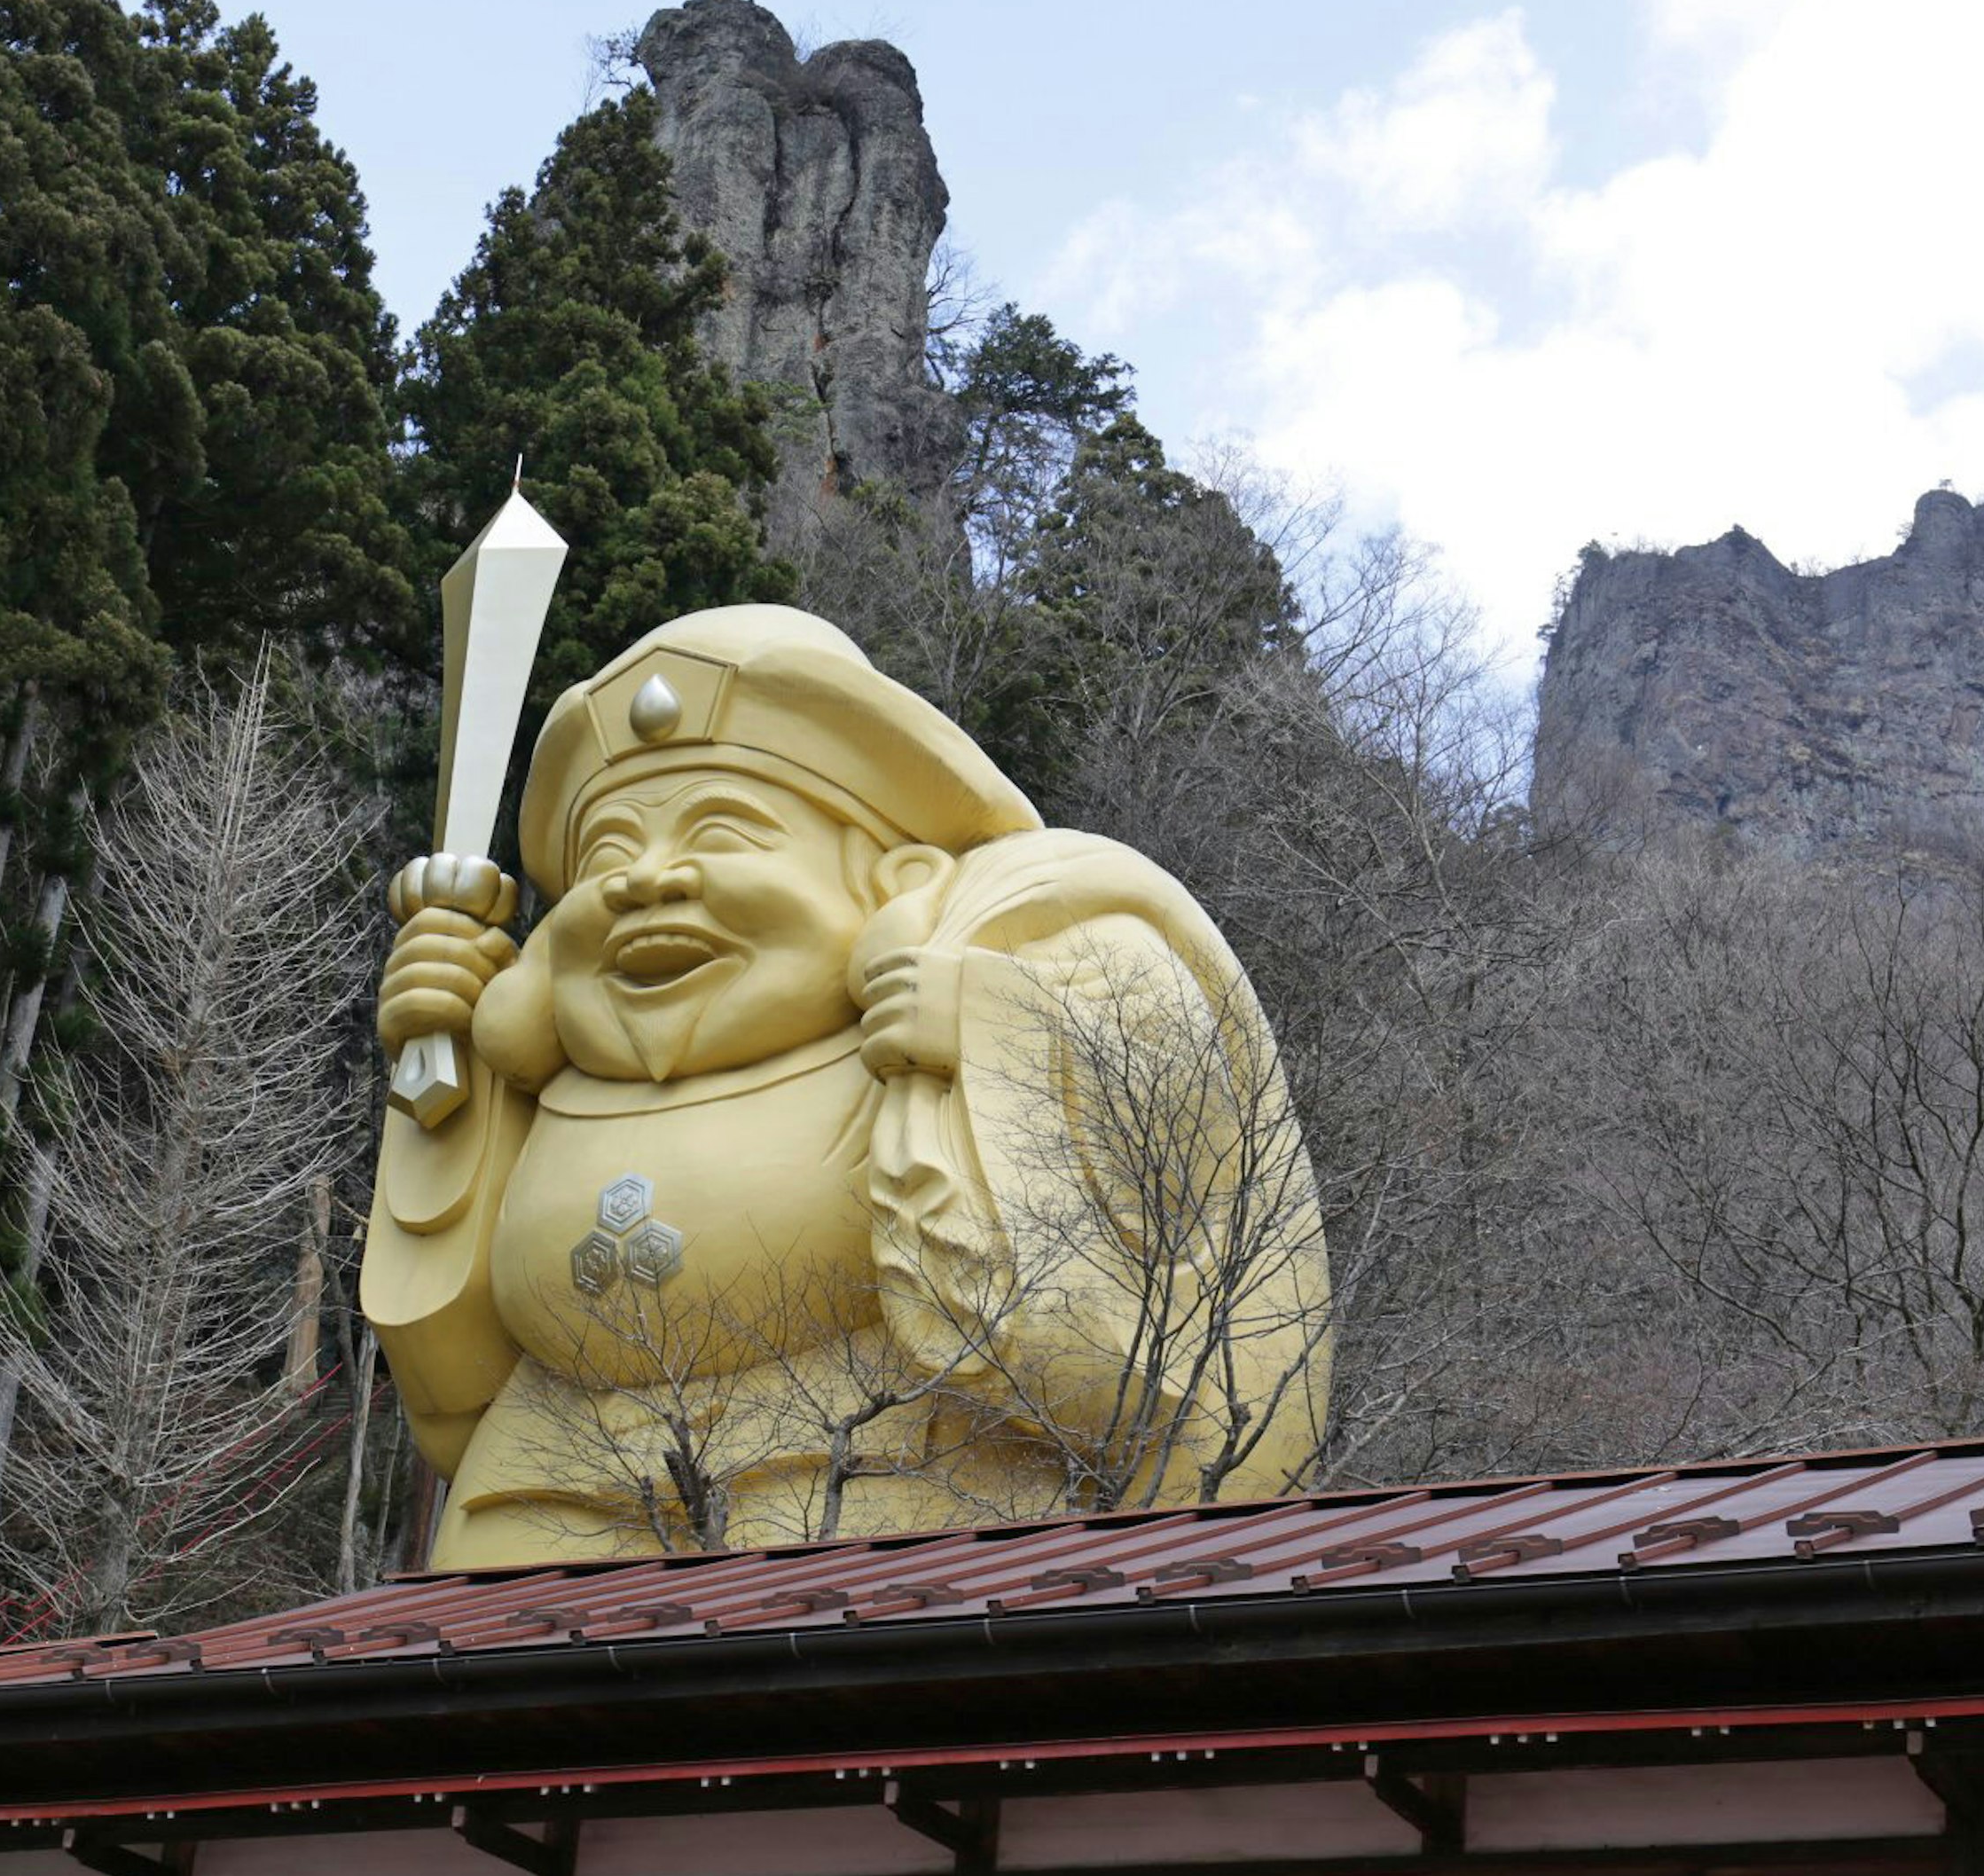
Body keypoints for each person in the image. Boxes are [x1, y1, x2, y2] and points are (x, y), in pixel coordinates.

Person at [365, 605, 1329, 1566]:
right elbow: (451, 1388)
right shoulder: (547, 1083)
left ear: (891, 880)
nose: (646, 881)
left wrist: (985, 1021)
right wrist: (442, 1076)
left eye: (723, 831)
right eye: (610, 852)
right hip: (533, 1497)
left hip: (877, 1485)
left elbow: (1110, 1362)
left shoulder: (977, 978)